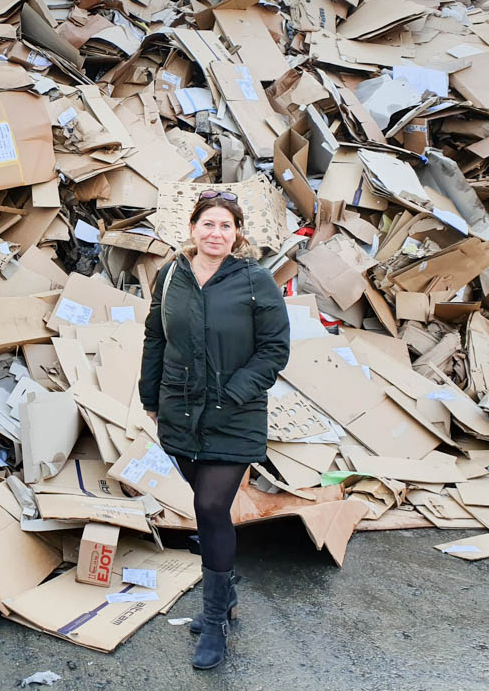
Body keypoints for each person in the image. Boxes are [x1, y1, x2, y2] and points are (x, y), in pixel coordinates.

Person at [138, 189, 290, 670]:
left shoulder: (255, 281)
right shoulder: (171, 276)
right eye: (208, 224)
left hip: (234, 413)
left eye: (225, 225)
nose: (216, 233)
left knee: (210, 505)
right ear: (193, 229)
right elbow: (155, 337)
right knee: (206, 511)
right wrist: (149, 396)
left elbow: (274, 349)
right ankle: (224, 596)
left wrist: (235, 392)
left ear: (237, 232)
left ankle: (214, 619)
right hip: (179, 409)